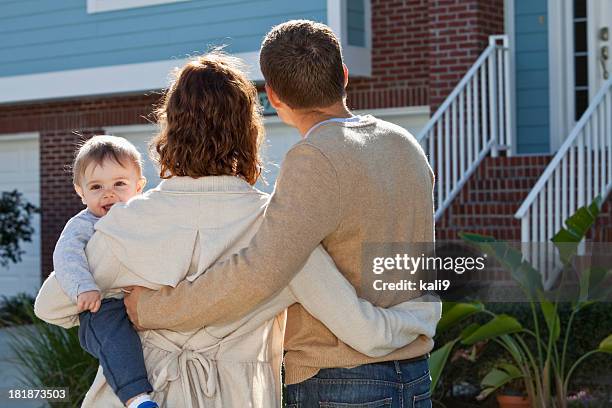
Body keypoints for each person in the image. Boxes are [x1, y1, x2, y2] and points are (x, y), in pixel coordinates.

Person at [34, 52, 440, 407]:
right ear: (249, 131)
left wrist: (121, 303)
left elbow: (51, 306)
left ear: (169, 130)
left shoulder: (125, 224)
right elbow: (364, 332)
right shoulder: (277, 227)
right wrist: (420, 317)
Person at [51, 135, 156, 408]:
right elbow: (66, 256)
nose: (108, 193)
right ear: (80, 191)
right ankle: (137, 399)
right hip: (103, 306)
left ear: (139, 187)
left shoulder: (143, 217)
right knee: (116, 342)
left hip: (141, 299)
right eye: (96, 186)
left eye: (119, 184)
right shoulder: (82, 225)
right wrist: (83, 286)